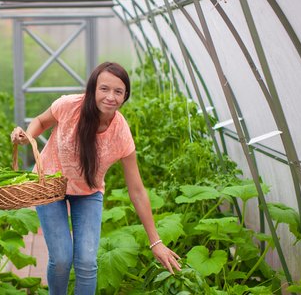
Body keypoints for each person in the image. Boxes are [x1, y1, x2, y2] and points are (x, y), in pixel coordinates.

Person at [10, 62, 181, 295]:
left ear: (125, 96)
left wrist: (156, 241)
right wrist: (26, 137)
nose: (110, 97)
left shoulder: (121, 132)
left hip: (88, 193)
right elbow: (40, 121)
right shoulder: (69, 106)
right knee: (61, 259)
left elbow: (137, 190)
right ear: (93, 89)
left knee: (87, 263)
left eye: (118, 91)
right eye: (104, 89)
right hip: (49, 185)